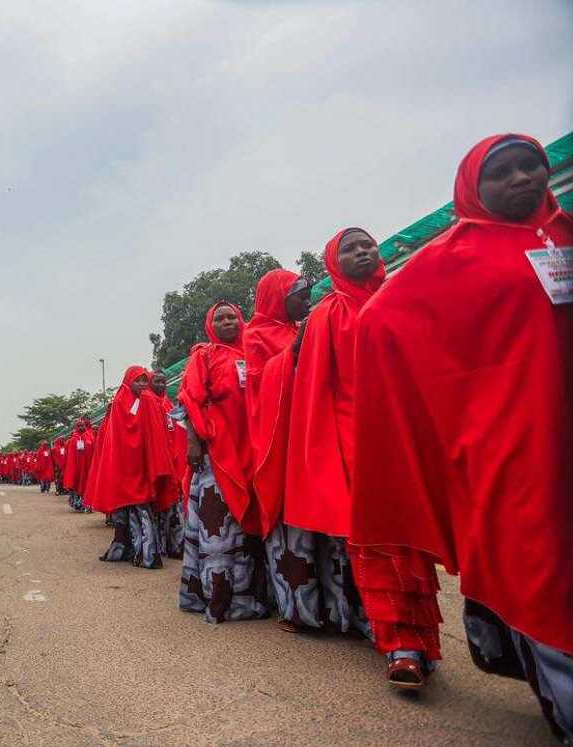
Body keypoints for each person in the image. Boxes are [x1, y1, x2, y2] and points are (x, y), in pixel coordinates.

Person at [351, 134, 572, 729]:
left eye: (533, 167)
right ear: (473, 186)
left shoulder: (567, 233)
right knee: (539, 564)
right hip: (513, 440)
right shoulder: (452, 256)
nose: (524, 178)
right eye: (504, 172)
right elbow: (381, 325)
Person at [274, 228, 387, 643]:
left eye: (366, 244)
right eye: (350, 248)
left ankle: (405, 632)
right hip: (348, 439)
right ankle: (390, 633)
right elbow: (312, 387)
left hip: (399, 436)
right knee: (366, 534)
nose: (362, 252)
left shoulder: (398, 295)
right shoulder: (325, 316)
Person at [176, 303, 268, 623]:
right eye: (220, 318)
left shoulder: (253, 351)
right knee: (219, 526)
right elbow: (189, 399)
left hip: (252, 449)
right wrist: (194, 442)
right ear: (210, 324)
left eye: (232, 316)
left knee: (248, 525)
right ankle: (218, 596)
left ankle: (251, 596)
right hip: (218, 450)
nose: (228, 322)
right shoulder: (204, 356)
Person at [83, 366, 177, 569]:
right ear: (128, 381)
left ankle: (146, 554)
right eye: (138, 381)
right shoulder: (119, 402)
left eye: (145, 381)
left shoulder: (148, 401)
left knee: (141, 510)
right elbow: (121, 436)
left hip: (140, 465)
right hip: (126, 465)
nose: (143, 384)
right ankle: (131, 550)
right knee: (127, 512)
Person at [242, 269, 310, 541]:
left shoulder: (296, 329)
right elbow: (259, 382)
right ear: (277, 298)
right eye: (301, 298)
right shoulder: (254, 335)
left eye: (308, 298)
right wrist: (293, 351)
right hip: (278, 431)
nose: (307, 304)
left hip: (306, 427)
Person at [149, 368, 185, 559]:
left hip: (174, 462)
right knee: (160, 507)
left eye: (163, 381)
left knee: (174, 507)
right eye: (157, 381)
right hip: (159, 465)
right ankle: (160, 546)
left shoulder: (169, 405)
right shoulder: (149, 404)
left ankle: (175, 545)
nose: (161, 385)